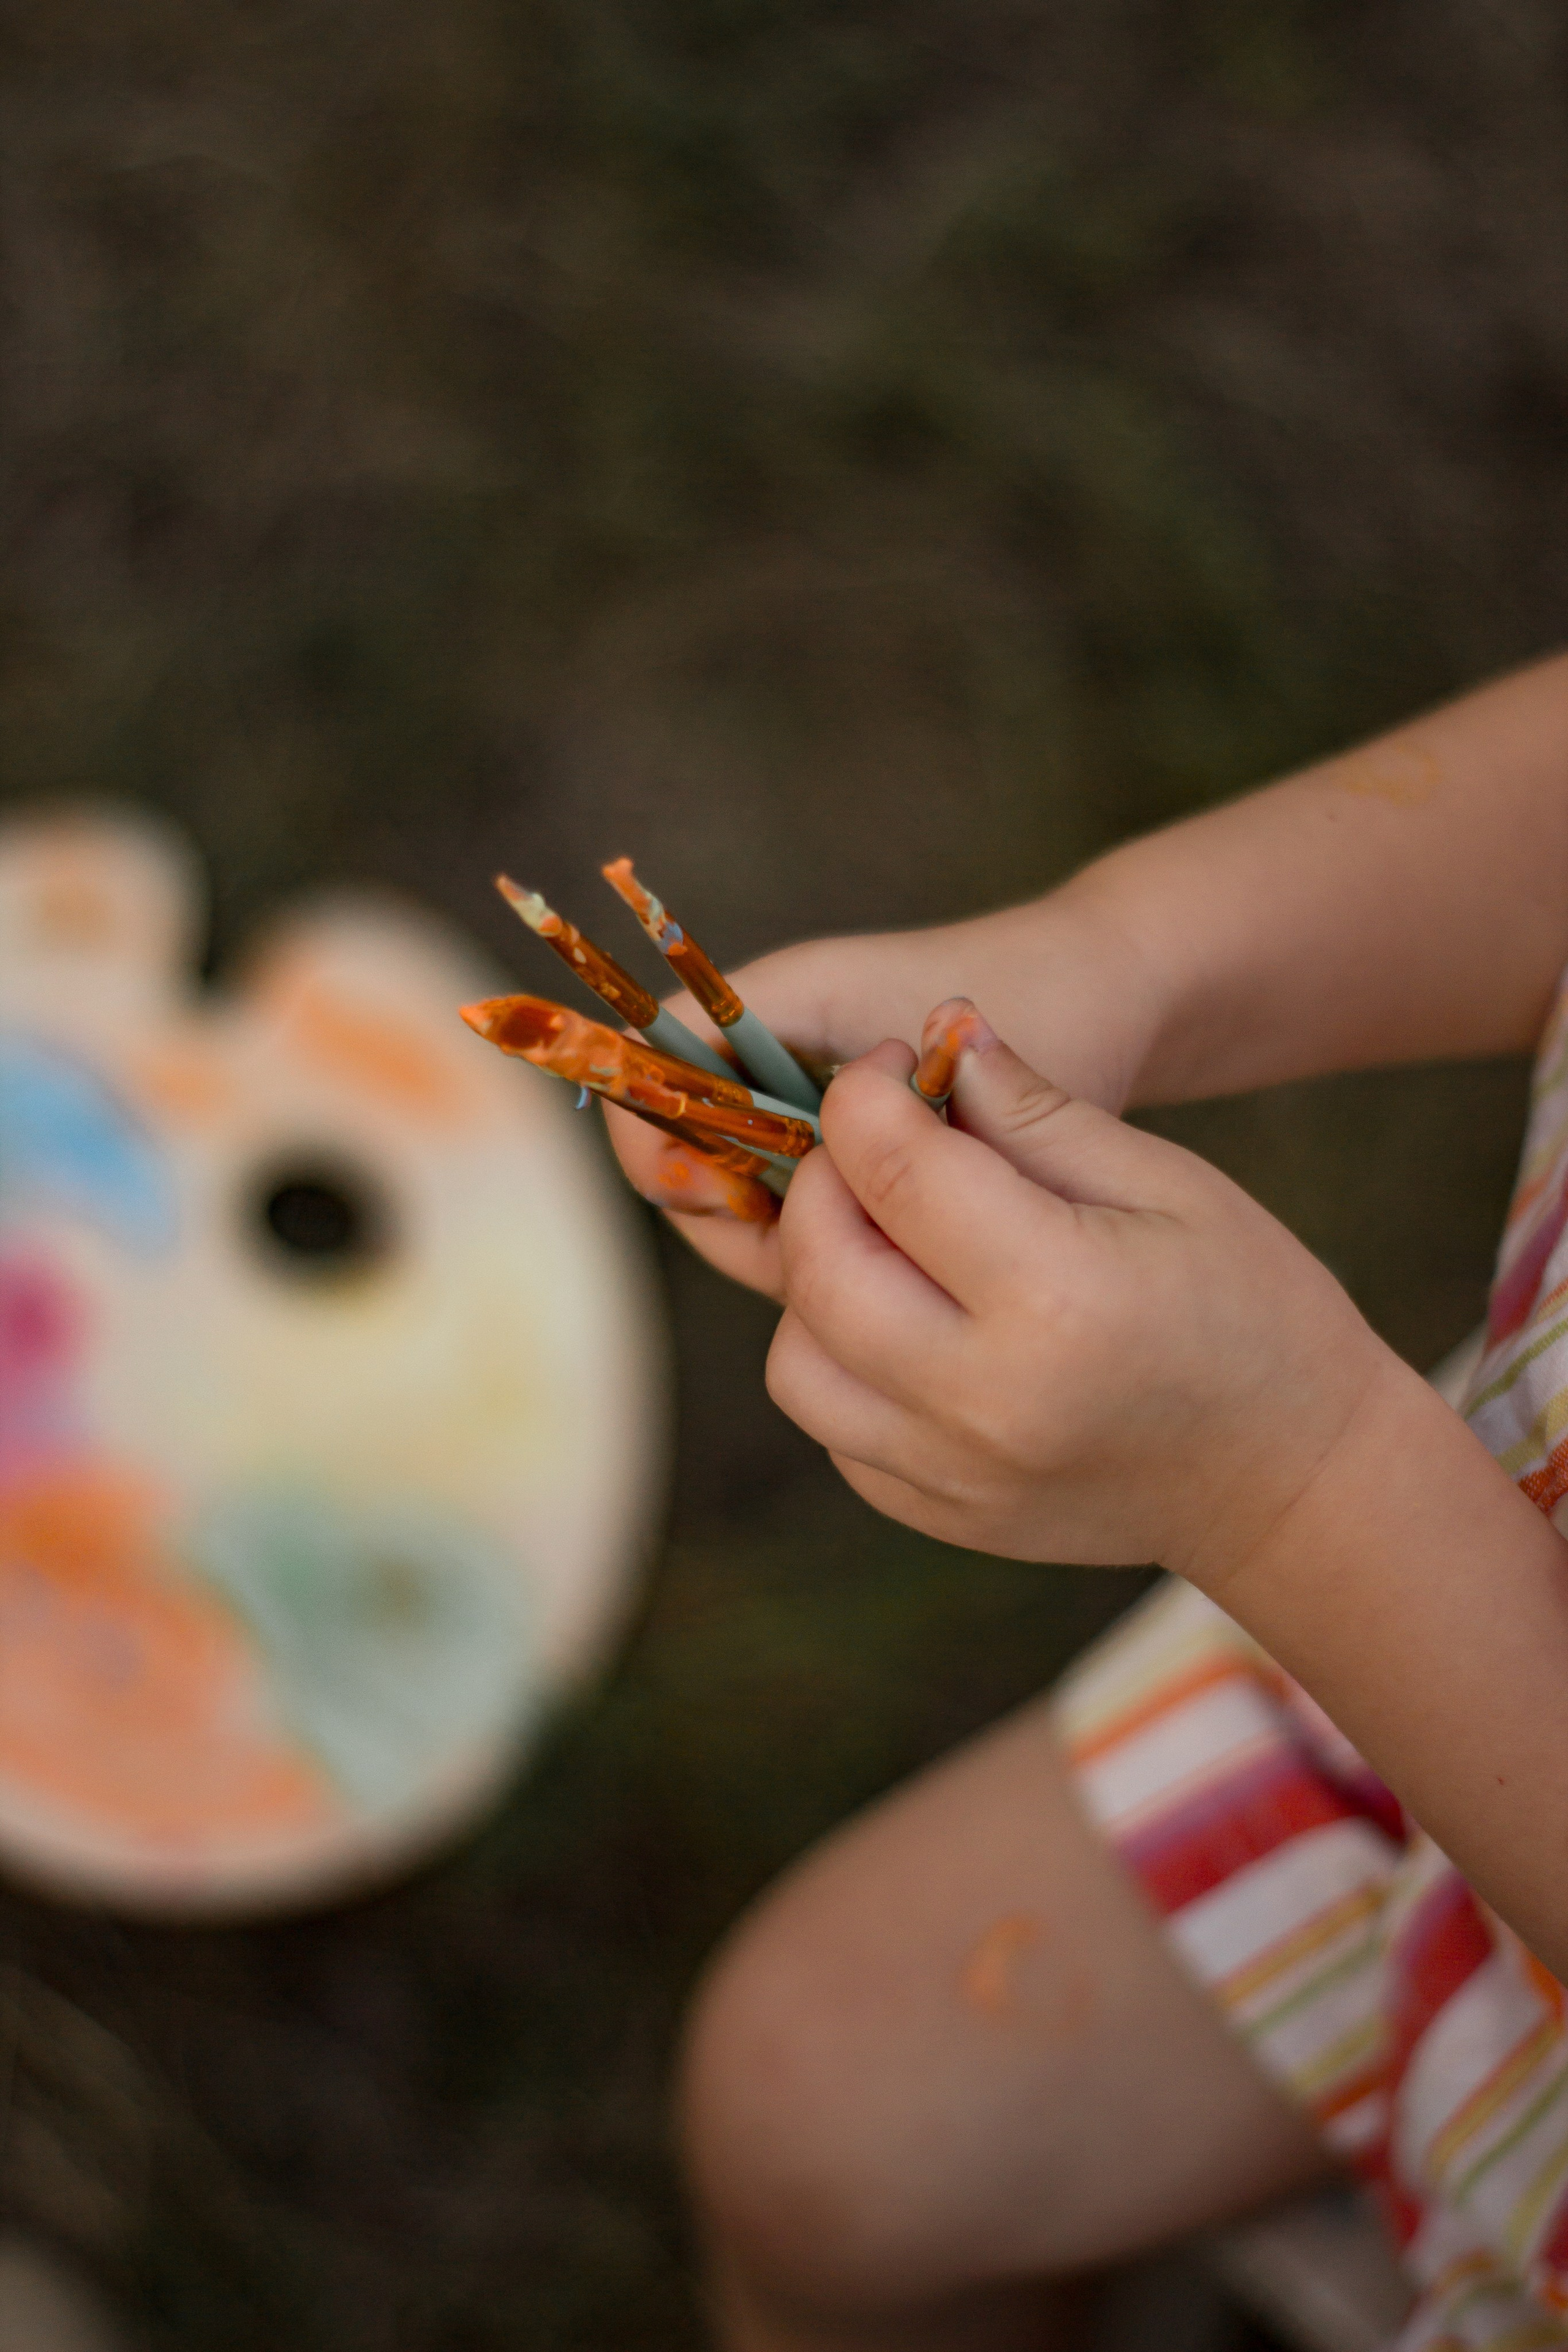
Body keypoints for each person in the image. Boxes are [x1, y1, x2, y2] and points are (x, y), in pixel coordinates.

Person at [606, 652, 1568, 2352]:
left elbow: (1314, 1497)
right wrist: (1123, 958)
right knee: (820, 2099)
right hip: (1486, 1567)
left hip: (1439, 1633)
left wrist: (1292, 1491)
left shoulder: (1315, 1488)